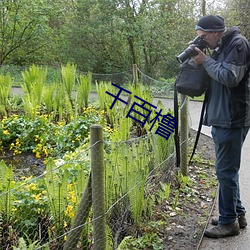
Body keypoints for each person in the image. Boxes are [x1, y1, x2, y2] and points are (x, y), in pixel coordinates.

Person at [192, 15, 250, 238]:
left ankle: (228, 223)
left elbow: (229, 77)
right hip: (222, 117)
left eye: (204, 37)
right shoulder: (221, 46)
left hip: (232, 118)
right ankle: (237, 214)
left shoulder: (238, 44)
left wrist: (205, 61)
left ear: (216, 32)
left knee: (225, 171)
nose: (203, 41)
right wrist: (202, 60)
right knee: (227, 171)